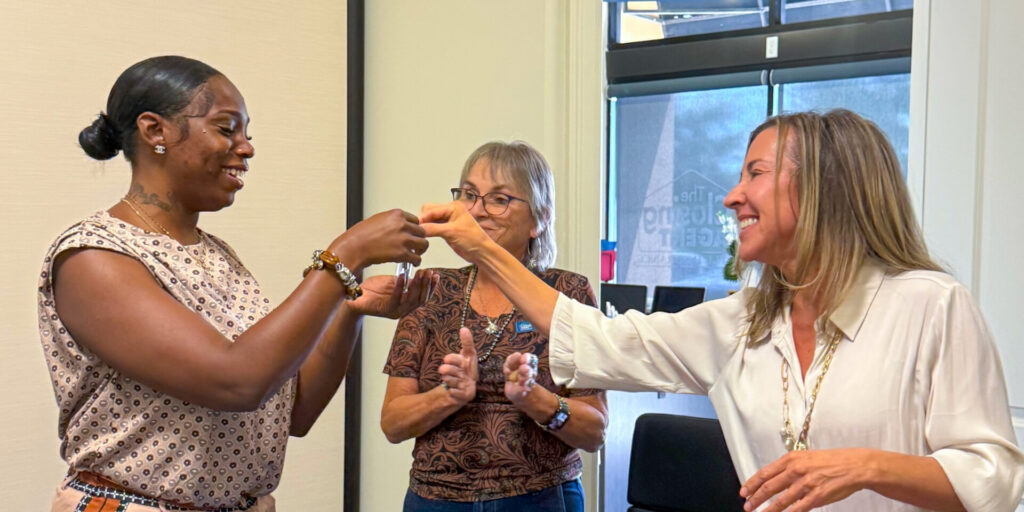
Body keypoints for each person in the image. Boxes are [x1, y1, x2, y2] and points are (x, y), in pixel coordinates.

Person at [420, 110, 1024, 511]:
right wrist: (479, 248)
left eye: (754, 173)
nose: (733, 195)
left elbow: (994, 476)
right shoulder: (741, 320)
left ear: (822, 188)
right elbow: (598, 339)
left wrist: (866, 467)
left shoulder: (929, 306)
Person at [41, 56, 436, 512]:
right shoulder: (96, 257)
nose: (246, 148)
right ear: (155, 132)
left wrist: (347, 307)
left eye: (247, 133)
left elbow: (294, 409)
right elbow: (237, 382)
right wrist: (344, 255)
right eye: (227, 129)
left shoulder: (217, 255)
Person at [380, 141, 608, 511]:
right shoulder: (432, 288)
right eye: (469, 195)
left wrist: (536, 400)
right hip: (435, 499)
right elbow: (393, 423)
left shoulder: (568, 293)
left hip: (540, 497)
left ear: (540, 218)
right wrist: (448, 396)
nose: (477, 211)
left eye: (499, 198)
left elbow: (594, 431)